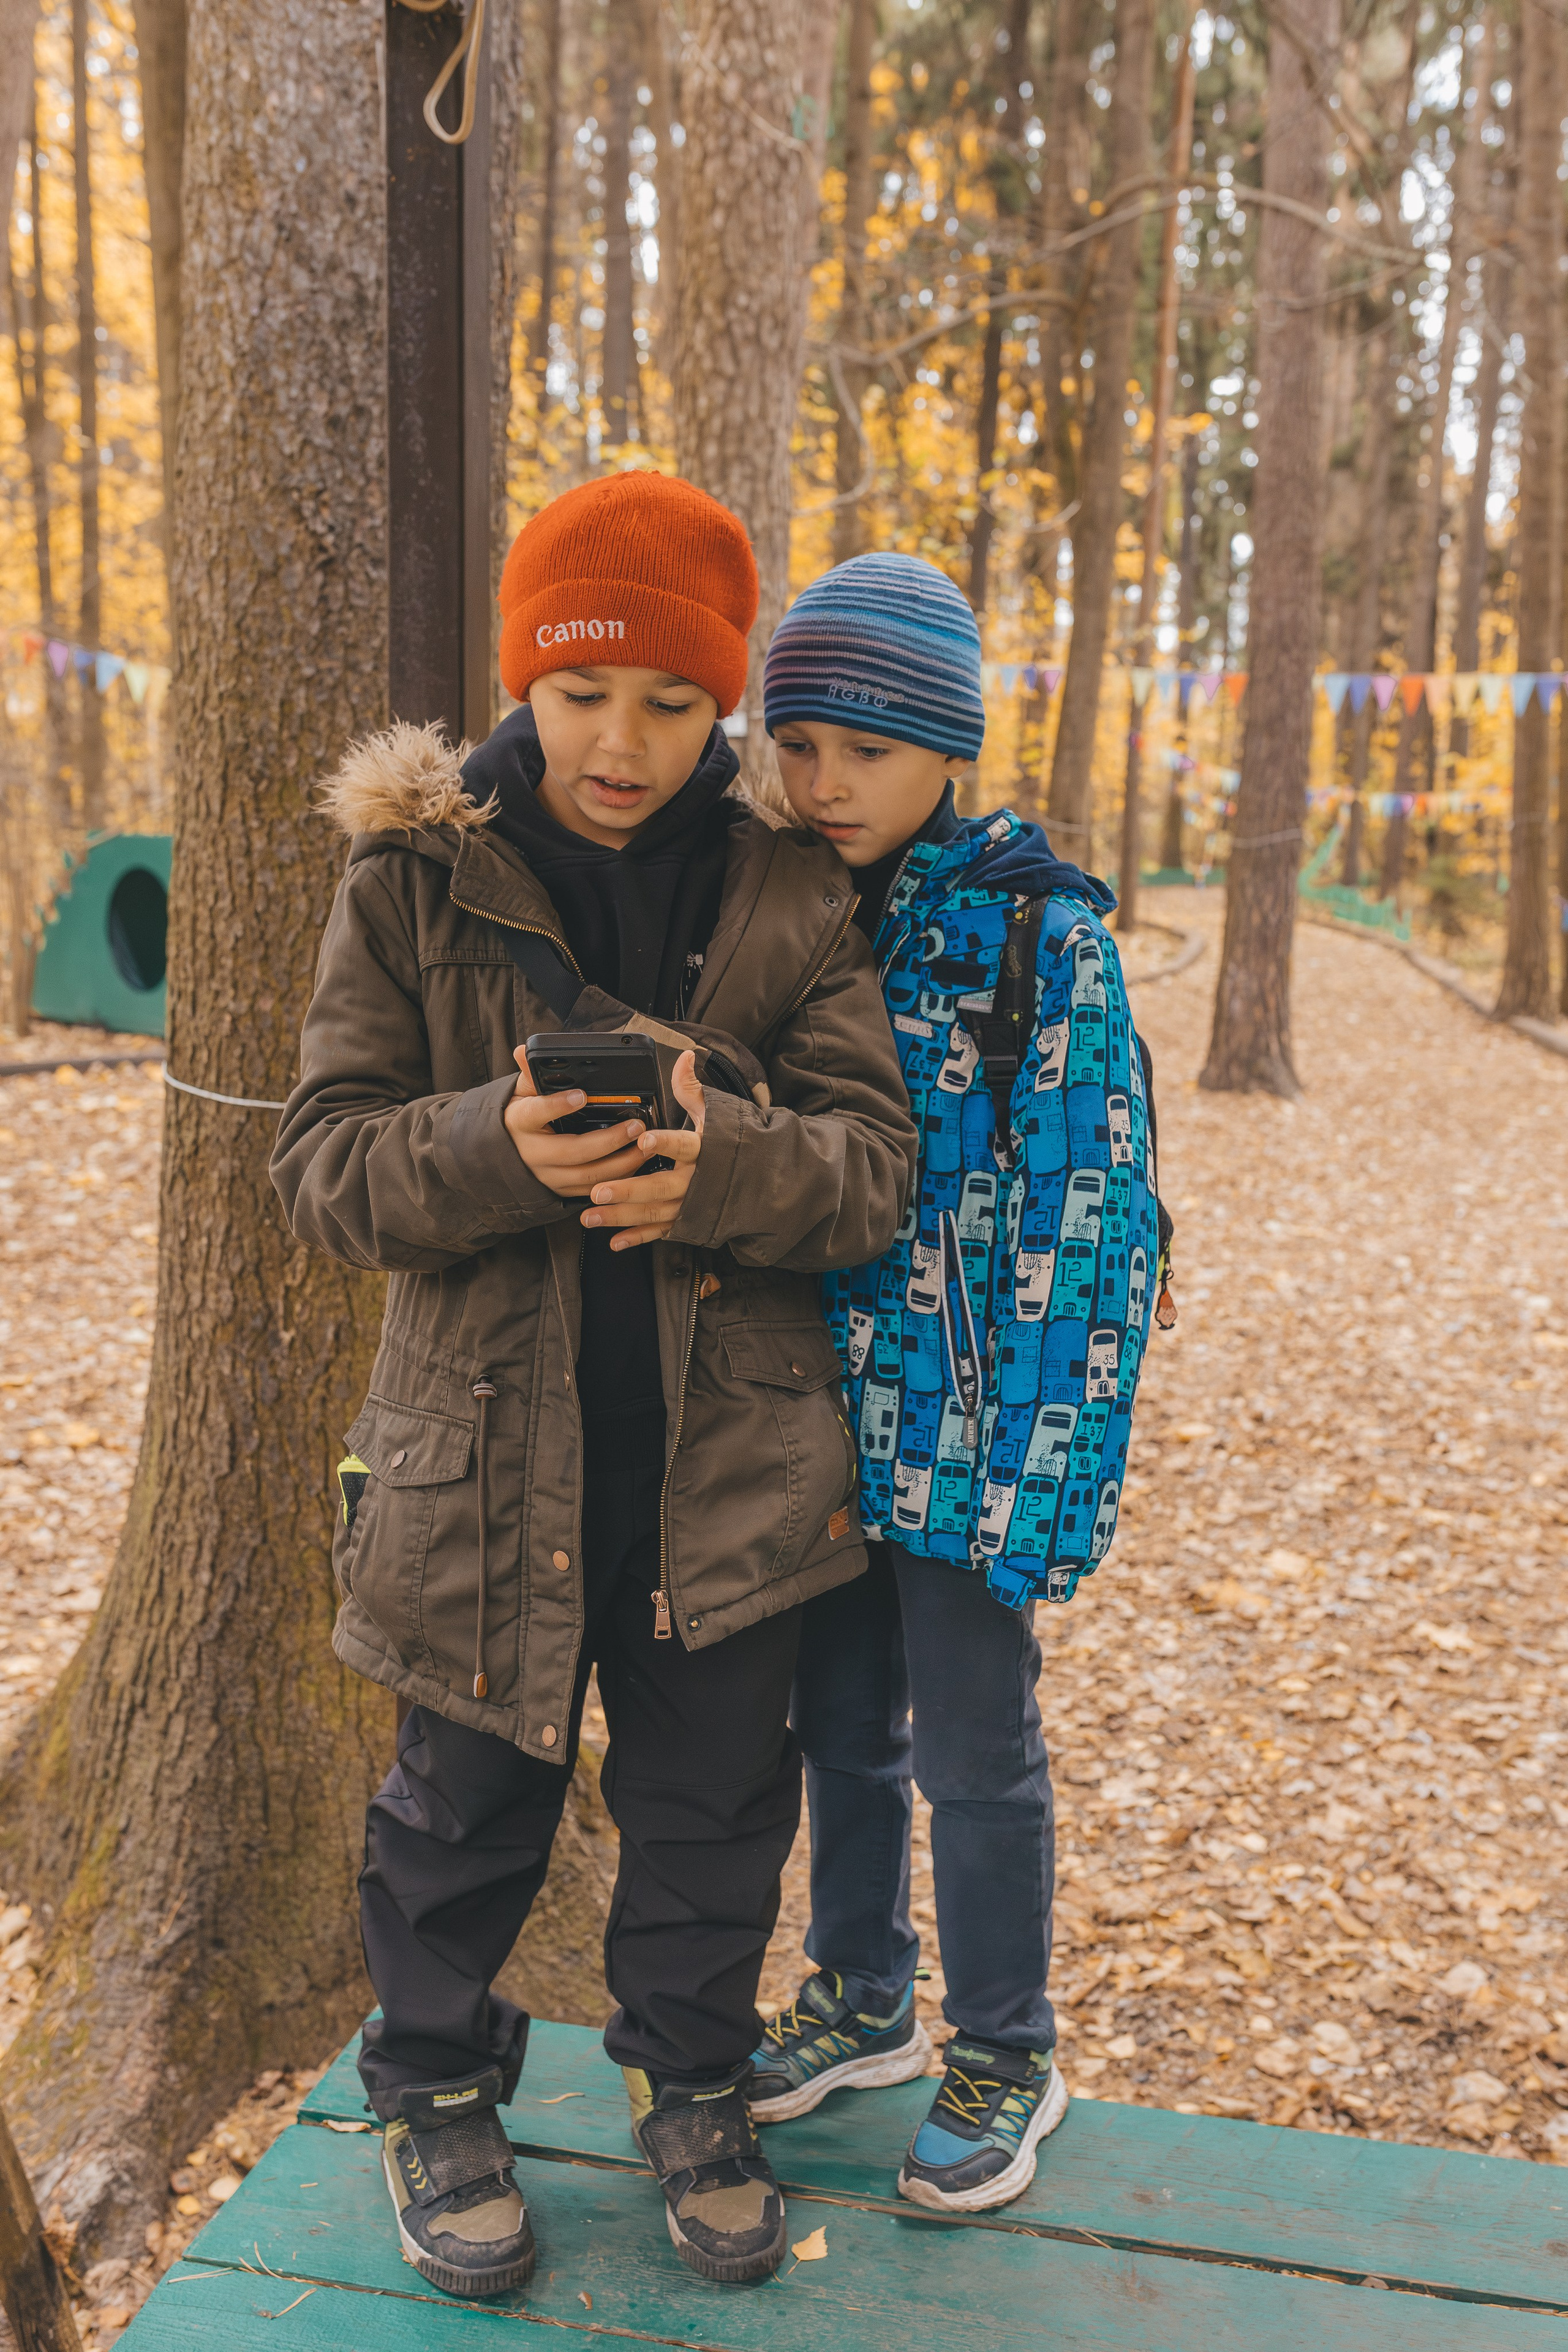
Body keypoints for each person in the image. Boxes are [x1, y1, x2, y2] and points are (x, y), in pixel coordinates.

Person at [271, 475, 914, 2295]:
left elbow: (871, 1168)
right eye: (581, 694)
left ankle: (694, 2087)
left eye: (670, 702)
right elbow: (321, 1167)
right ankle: (436, 2090)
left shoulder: (791, 890)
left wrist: (723, 1164)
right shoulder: (415, 879)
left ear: (725, 708)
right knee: (458, 1804)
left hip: (736, 1468)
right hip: (481, 1457)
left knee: (719, 1801)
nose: (621, 743)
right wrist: (498, 1146)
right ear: (520, 685)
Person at [749, 551, 1161, 2214]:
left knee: (974, 1749)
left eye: (866, 744)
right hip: (819, 1425)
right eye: (801, 741)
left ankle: (1009, 2045)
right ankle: (864, 1996)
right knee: (838, 1725)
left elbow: (1094, 1220)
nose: (826, 779)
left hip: (980, 1437)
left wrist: (1050, 1472)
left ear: (946, 752)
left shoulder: (1036, 937)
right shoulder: (790, 905)